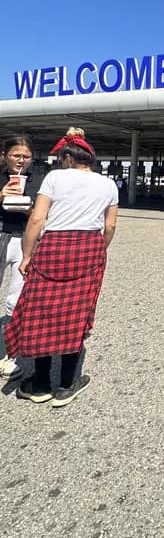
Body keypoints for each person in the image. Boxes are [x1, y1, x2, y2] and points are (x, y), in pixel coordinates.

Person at [5, 127, 119, 407]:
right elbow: (111, 225)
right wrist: (98, 249)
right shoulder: (108, 184)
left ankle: (41, 384)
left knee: (41, 311)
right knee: (78, 313)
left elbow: (36, 220)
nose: (57, 162)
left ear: (68, 157)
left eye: (59, 157)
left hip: (54, 245)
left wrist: (28, 255)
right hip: (90, 245)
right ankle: (68, 383)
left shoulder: (55, 177)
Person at [0, 135, 37, 381]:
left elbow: (42, 214)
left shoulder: (38, 181)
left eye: (26, 156)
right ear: (5, 156)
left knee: (16, 296)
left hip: (23, 239)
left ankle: (9, 357)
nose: (21, 160)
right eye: (16, 155)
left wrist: (29, 209)